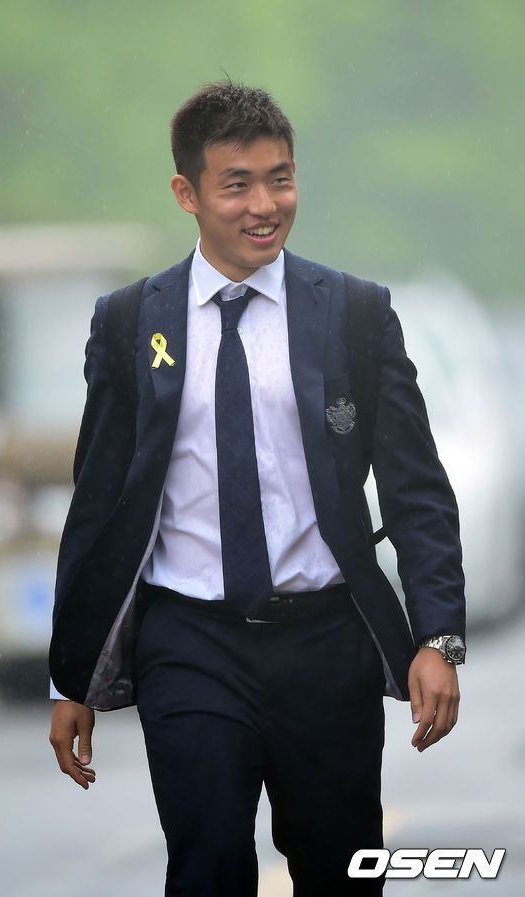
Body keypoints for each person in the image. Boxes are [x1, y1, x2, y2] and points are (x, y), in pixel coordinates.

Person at [49, 81, 466, 896]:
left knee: (343, 872)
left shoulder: (354, 313)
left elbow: (416, 487)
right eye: (237, 184)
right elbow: (97, 504)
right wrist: (73, 677)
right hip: (190, 644)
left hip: (328, 642)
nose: (265, 205)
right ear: (188, 194)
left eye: (280, 179)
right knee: (206, 869)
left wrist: (439, 636)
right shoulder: (131, 322)